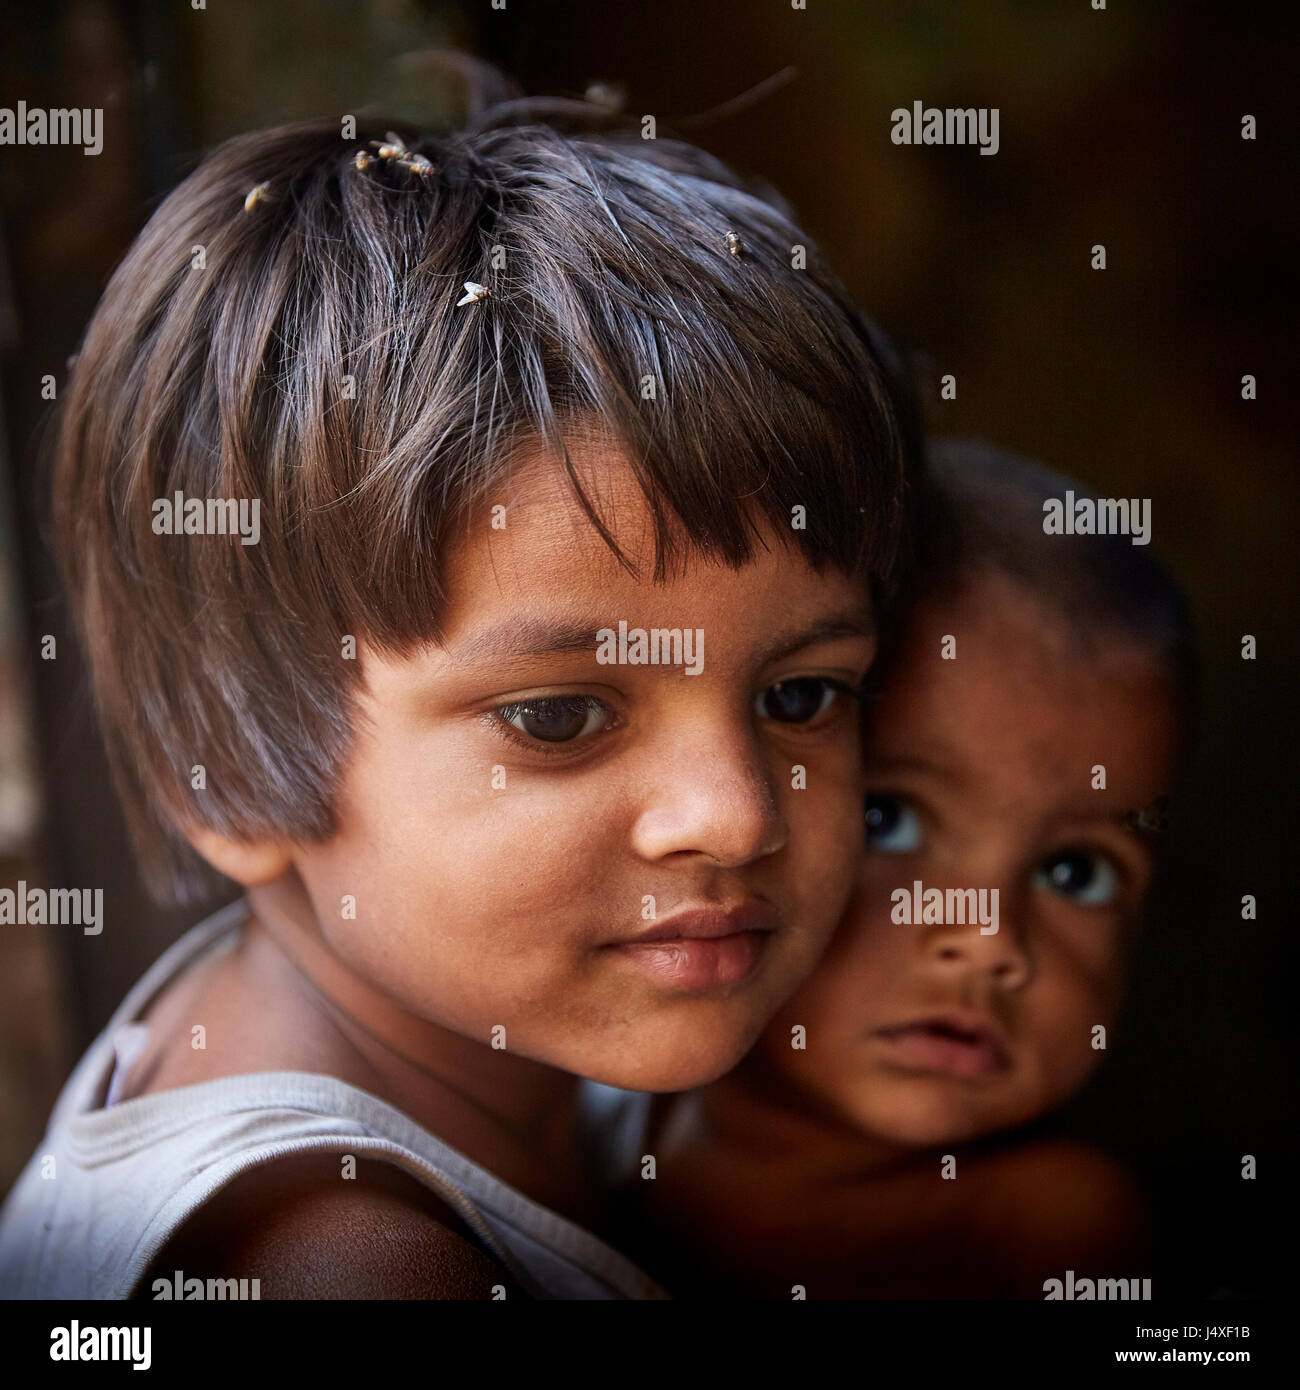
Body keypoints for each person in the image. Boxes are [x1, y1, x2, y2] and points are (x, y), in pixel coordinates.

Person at [0, 92, 920, 1298]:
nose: (735, 814)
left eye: (801, 693)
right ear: (221, 765)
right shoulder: (348, 1267)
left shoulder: (456, 1027)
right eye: (559, 717)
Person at [603, 440, 1197, 1298]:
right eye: (890, 819)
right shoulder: (588, 1112)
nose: (990, 944)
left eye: (1077, 872)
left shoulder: (1039, 1228)